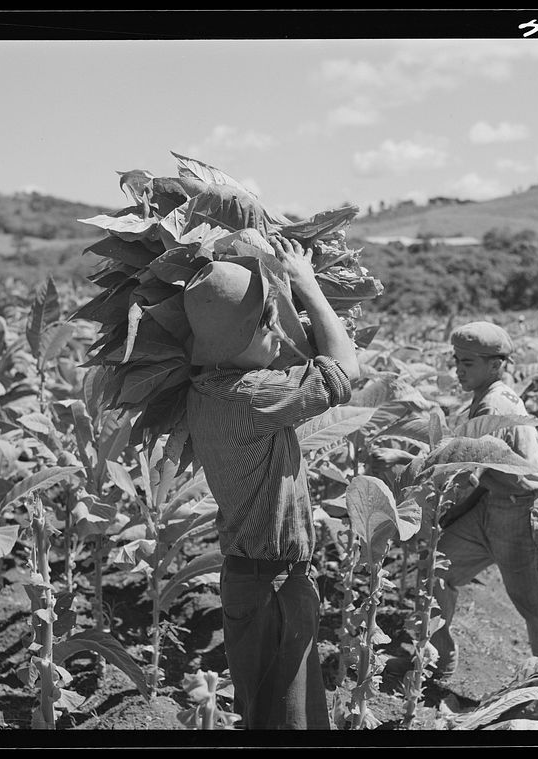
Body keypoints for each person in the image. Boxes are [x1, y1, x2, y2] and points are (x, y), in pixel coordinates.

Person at [183, 234, 360, 730]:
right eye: (267, 324)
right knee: (288, 724)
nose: (278, 331)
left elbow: (296, 360)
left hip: (252, 579)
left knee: (269, 715)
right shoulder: (254, 399)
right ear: (240, 340)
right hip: (274, 584)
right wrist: (306, 286)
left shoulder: (209, 390)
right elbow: (345, 370)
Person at [429, 320, 538, 679]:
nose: (458, 370)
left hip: (521, 514)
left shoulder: (493, 406)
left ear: (495, 365)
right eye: (457, 360)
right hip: (493, 507)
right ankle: (438, 661)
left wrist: (426, 503)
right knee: (437, 568)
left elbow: (468, 478)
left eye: (468, 364)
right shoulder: (492, 393)